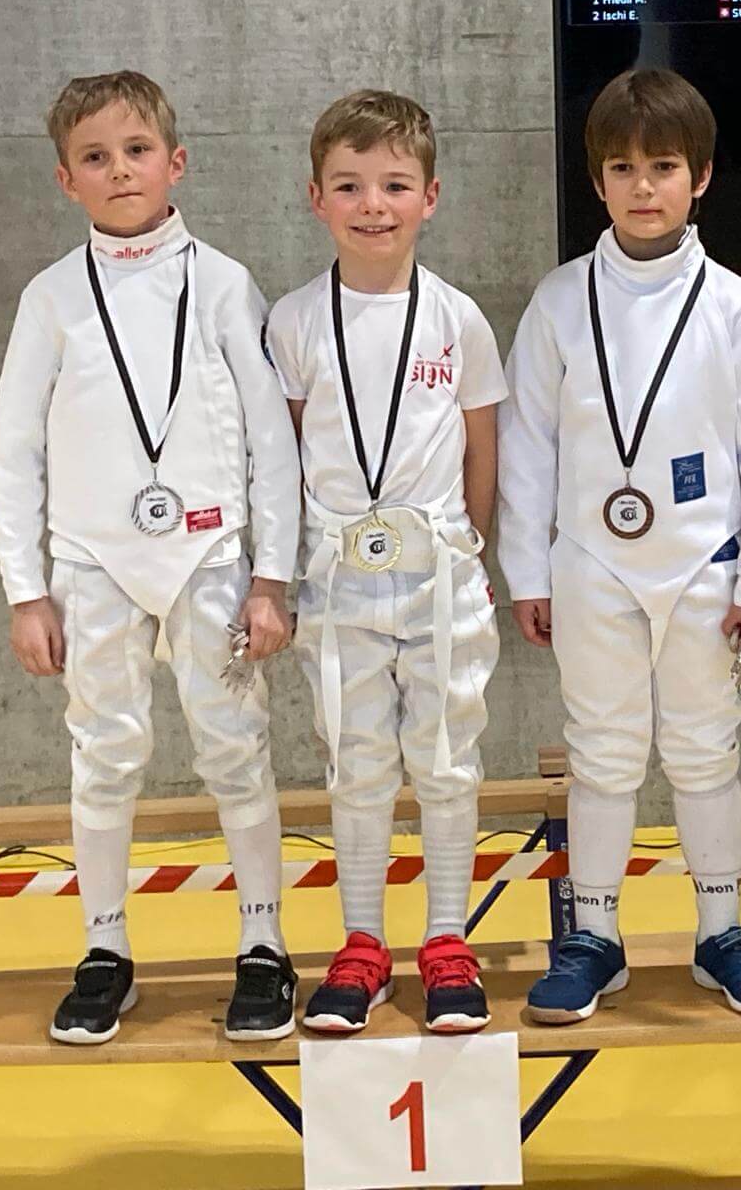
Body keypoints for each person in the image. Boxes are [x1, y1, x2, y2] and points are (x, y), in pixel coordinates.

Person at [0, 70, 301, 1045]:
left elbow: (272, 442)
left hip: (209, 552)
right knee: (104, 752)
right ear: (64, 179)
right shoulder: (50, 299)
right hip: (93, 559)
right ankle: (105, 948)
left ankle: (263, 942)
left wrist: (272, 577)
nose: (119, 171)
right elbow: (12, 449)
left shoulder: (225, 283)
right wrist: (26, 591)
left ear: (176, 162)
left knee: (234, 745)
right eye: (95, 157)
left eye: (135, 151)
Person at [500, 69, 741, 1025]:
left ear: (700, 177)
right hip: (592, 562)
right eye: (623, 169)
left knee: (706, 750)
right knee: (602, 753)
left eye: (663, 167)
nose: (643, 187)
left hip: (706, 564)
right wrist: (527, 571)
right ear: (597, 181)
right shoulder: (557, 302)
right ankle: (594, 937)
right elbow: (527, 446)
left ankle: (722, 933)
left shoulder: (734, 307)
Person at [264, 90, 507, 1035]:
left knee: (445, 762)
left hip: (440, 577)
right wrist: (283, 575)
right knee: (357, 764)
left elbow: (481, 450)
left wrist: (469, 553)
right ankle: (361, 943)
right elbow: (282, 458)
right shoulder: (294, 322)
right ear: (314, 197)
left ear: (430, 196)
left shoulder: (458, 318)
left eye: (396, 185)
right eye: (350, 185)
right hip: (337, 581)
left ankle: (447, 939)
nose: (374, 205)